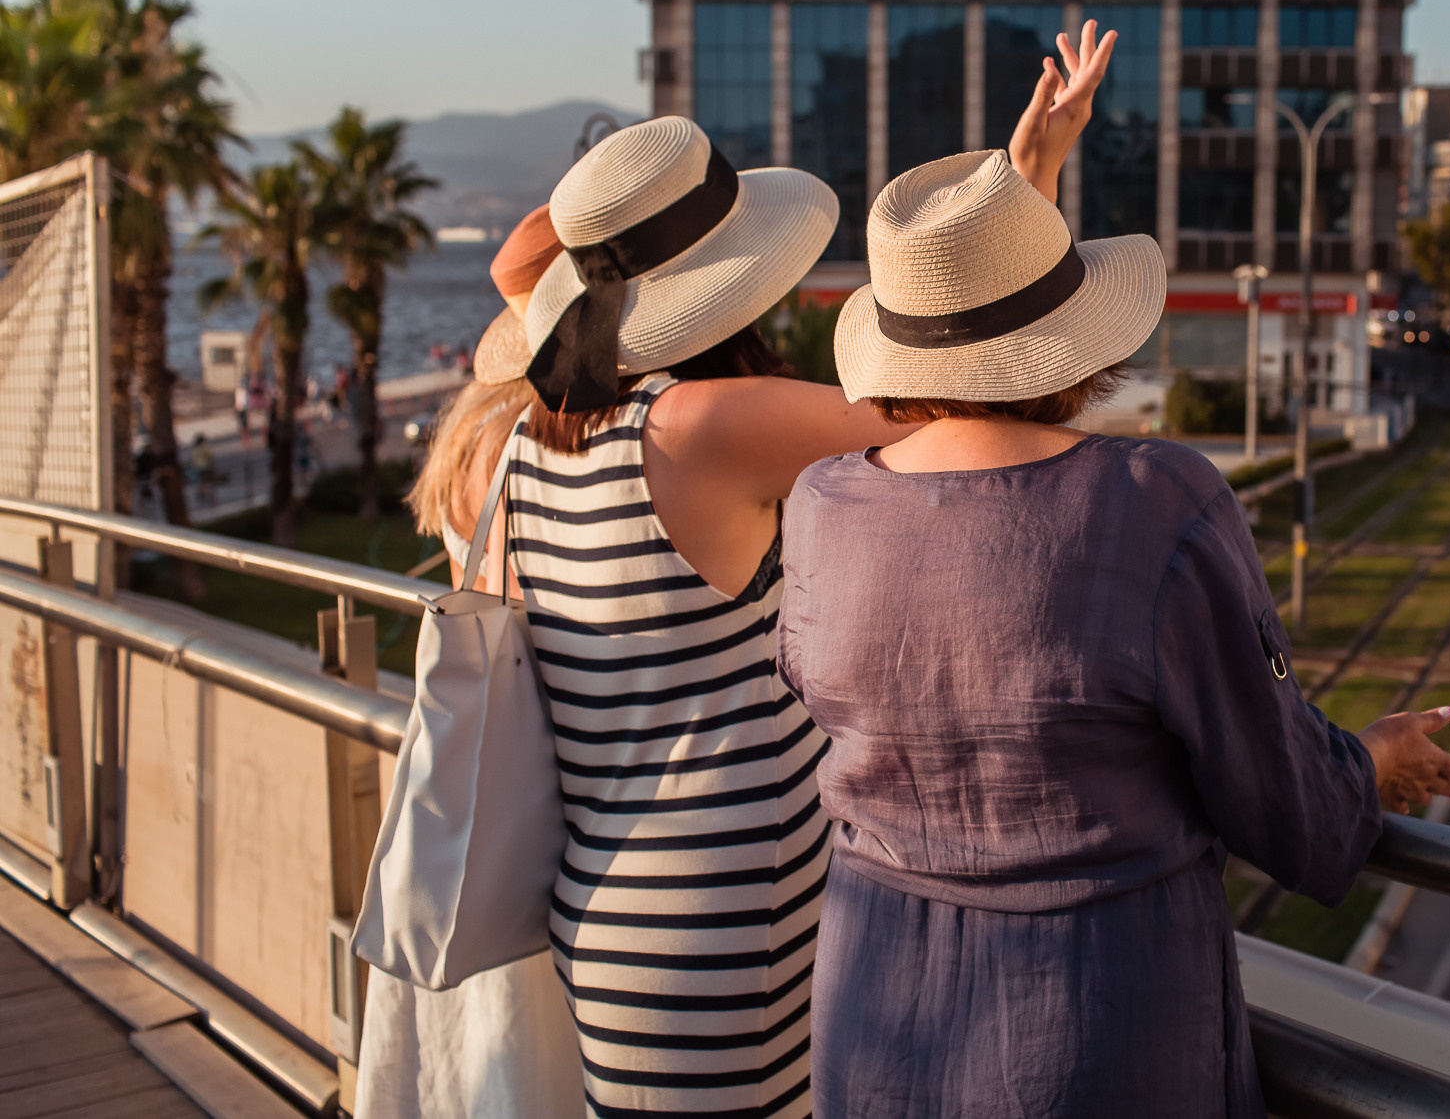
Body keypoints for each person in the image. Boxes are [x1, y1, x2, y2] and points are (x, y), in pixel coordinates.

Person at [776, 22, 1450, 1118]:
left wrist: (1024, 187)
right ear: (1074, 340)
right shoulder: (1155, 502)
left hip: (873, 1020)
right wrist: (1369, 764)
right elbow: (1279, 796)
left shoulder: (823, 506)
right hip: (1093, 1029)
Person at [500, 75, 1098, 1115]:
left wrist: (1027, 183)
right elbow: (953, 414)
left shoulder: (532, 444)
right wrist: (1022, 197)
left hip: (614, 909)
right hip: (724, 922)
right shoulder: (697, 426)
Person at [355, 206, 584, 1119]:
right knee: (533, 1046)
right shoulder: (536, 438)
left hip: (474, 768)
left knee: (478, 1059)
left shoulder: (473, 426)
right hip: (546, 781)